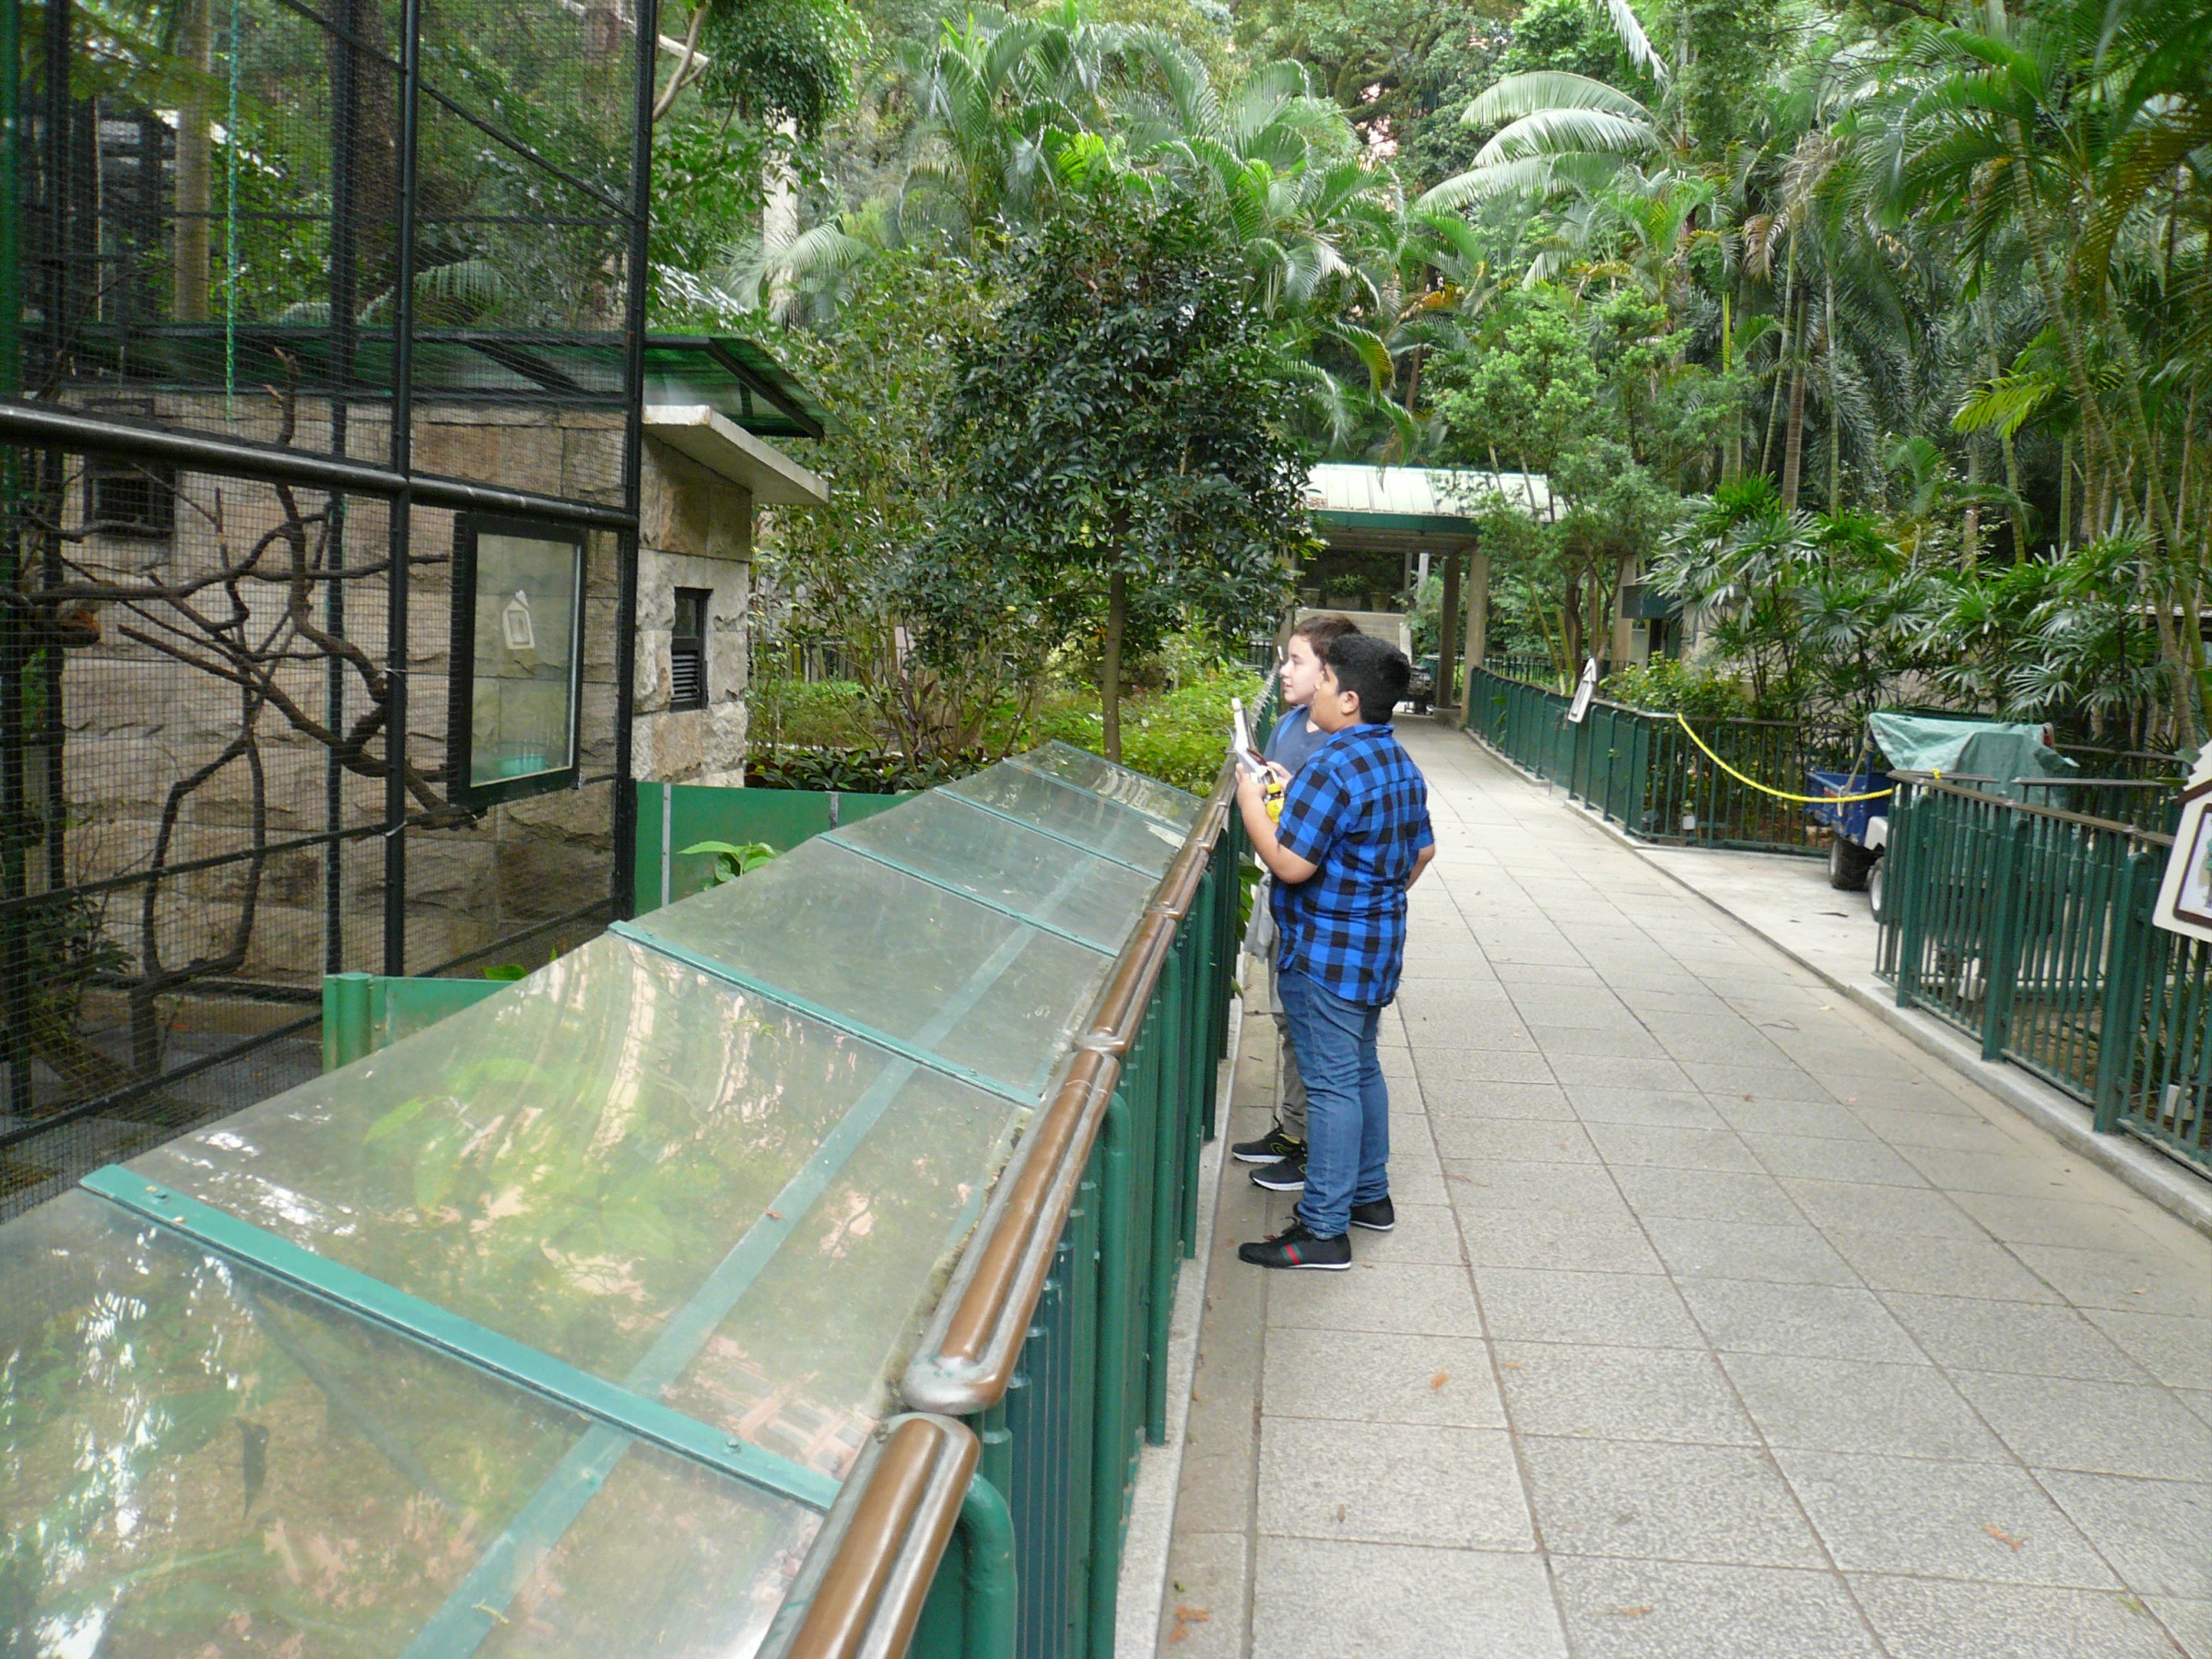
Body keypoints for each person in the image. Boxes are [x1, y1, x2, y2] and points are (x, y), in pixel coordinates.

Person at [1232, 632, 1435, 1271]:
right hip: (1376, 946)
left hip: (1325, 953)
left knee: (1331, 1086)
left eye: (1322, 679)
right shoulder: (1396, 761)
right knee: (1361, 1069)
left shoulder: (1332, 765)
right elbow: (1423, 851)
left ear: (1347, 699)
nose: (1313, 687)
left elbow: (1291, 864)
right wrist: (1370, 897)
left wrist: (1251, 803)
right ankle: (1370, 1197)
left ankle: (1323, 1228)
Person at [1232, 612, 1361, 1192]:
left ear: (1331, 674)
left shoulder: (1343, 746)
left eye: (1297, 661)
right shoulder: (1289, 723)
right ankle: (1292, 1127)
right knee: (1286, 1018)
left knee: (1317, 1032)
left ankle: (1315, 1152)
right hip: (1284, 896)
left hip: (1317, 906)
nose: (1284, 671)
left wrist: (1266, 801)